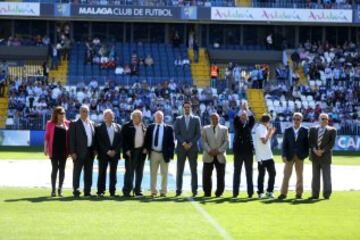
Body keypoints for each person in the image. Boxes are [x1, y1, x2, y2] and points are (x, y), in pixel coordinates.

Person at [278, 112, 309, 200]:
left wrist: (304, 155)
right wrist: (283, 155)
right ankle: (283, 194)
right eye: (294, 119)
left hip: (300, 156)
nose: (296, 121)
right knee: (286, 175)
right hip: (289, 156)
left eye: (298, 119)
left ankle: (299, 194)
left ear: (301, 120)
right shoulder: (287, 130)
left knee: (299, 175)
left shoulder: (305, 130)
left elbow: (307, 145)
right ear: (292, 120)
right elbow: (284, 144)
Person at [144, 111, 175, 198]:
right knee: (153, 173)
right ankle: (153, 191)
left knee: (164, 173)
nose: (159, 118)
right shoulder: (150, 127)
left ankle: (163, 191)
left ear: (163, 117)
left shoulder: (169, 128)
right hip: (153, 153)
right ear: (155, 118)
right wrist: (146, 149)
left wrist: (170, 155)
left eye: (160, 117)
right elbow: (147, 139)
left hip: (164, 154)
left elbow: (172, 143)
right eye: (157, 117)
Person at [174, 101, 201, 197]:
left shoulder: (196, 119)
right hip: (181, 148)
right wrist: (184, 143)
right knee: (179, 170)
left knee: (193, 170)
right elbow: (176, 133)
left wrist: (191, 143)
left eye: (188, 107)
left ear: (191, 108)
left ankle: (194, 190)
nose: (186, 109)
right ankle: (178, 189)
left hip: (192, 148)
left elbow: (198, 134)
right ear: (182, 108)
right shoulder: (178, 119)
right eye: (185, 107)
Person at [69, 105, 96, 197]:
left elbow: (94, 138)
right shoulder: (74, 123)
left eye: (86, 111)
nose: (85, 113)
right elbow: (71, 139)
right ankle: (76, 191)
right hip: (78, 153)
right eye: (83, 111)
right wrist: (72, 152)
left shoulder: (92, 123)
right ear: (80, 112)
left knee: (89, 173)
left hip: (90, 152)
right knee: (77, 172)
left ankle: (87, 191)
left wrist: (95, 150)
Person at [308, 113, 337, 200]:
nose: (325, 120)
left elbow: (331, 144)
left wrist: (322, 151)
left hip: (326, 156)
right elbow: (310, 141)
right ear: (319, 119)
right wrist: (314, 150)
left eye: (326, 119)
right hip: (315, 155)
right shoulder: (312, 129)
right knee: (315, 177)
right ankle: (315, 194)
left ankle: (326, 195)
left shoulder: (332, 130)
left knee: (326, 177)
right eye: (323, 118)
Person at [201, 112, 229, 197]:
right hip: (208, 155)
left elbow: (226, 142)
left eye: (216, 118)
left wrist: (219, 150)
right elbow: (203, 141)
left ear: (219, 119)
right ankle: (207, 192)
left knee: (220, 175)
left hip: (220, 155)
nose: (214, 120)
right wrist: (209, 150)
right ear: (210, 119)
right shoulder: (205, 129)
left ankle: (219, 192)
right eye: (212, 118)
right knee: (206, 175)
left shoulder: (224, 129)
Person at [95, 109, 122, 197]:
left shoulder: (118, 127)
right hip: (103, 153)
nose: (110, 117)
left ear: (113, 117)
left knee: (113, 174)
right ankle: (100, 191)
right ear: (104, 117)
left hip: (115, 153)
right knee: (102, 173)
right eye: (107, 116)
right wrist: (107, 151)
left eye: (111, 116)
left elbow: (120, 141)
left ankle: (112, 191)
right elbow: (99, 141)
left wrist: (115, 151)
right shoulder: (99, 127)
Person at [44, 106, 70, 197]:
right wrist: (45, 148)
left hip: (64, 150)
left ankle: (60, 189)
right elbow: (47, 137)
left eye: (63, 113)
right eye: (60, 113)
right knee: (55, 169)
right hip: (54, 150)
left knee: (62, 169)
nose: (62, 115)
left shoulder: (68, 123)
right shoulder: (50, 123)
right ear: (56, 114)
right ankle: (53, 190)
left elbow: (70, 138)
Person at [122, 109, 147, 197]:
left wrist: (145, 148)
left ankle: (137, 190)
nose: (138, 118)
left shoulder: (143, 126)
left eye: (140, 117)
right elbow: (123, 140)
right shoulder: (126, 126)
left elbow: (146, 139)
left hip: (141, 152)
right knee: (129, 172)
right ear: (132, 117)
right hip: (130, 152)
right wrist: (126, 150)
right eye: (136, 117)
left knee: (139, 172)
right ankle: (127, 191)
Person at [232, 103, 255, 198]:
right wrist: (241, 109)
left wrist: (247, 109)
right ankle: (235, 193)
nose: (243, 117)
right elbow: (235, 119)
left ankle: (250, 193)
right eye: (242, 116)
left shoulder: (249, 125)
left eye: (245, 116)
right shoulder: (237, 125)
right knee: (237, 172)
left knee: (249, 173)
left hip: (248, 153)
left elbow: (252, 118)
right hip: (238, 152)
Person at [254, 114, 276, 199]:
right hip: (262, 157)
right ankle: (261, 192)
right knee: (262, 175)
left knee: (272, 173)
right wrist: (270, 132)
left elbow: (266, 140)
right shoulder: (260, 128)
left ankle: (269, 191)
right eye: (269, 121)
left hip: (268, 155)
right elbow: (264, 141)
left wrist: (270, 133)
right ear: (267, 121)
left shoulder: (263, 128)